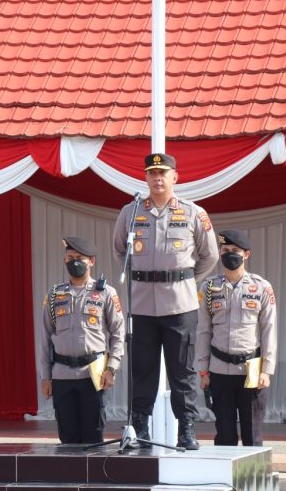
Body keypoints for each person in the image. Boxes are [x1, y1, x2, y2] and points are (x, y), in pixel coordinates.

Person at [112, 152, 219, 450]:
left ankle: (186, 430)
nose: (157, 178)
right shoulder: (131, 213)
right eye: (152, 173)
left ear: (175, 177)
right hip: (142, 304)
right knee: (142, 370)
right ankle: (140, 429)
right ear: (145, 177)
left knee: (182, 371)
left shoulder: (193, 213)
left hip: (180, 305)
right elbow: (120, 251)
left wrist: (184, 279)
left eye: (163, 173)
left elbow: (210, 255)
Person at [38, 237, 125, 444]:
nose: (74, 262)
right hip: (62, 376)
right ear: (64, 260)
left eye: (80, 258)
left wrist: (111, 369)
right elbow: (44, 338)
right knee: (67, 437)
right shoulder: (54, 295)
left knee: (92, 436)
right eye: (70, 258)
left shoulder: (105, 293)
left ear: (92, 261)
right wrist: (45, 376)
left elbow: (118, 334)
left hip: (92, 375)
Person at [196, 230, 277, 446]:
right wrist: (203, 370)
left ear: (246, 254)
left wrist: (267, 371)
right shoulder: (209, 288)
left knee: (252, 434)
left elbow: (269, 329)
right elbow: (203, 331)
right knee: (225, 434)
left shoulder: (261, 287)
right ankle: (225, 480)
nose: (230, 254)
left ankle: (252, 478)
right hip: (219, 370)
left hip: (250, 370)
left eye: (235, 251)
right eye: (225, 250)